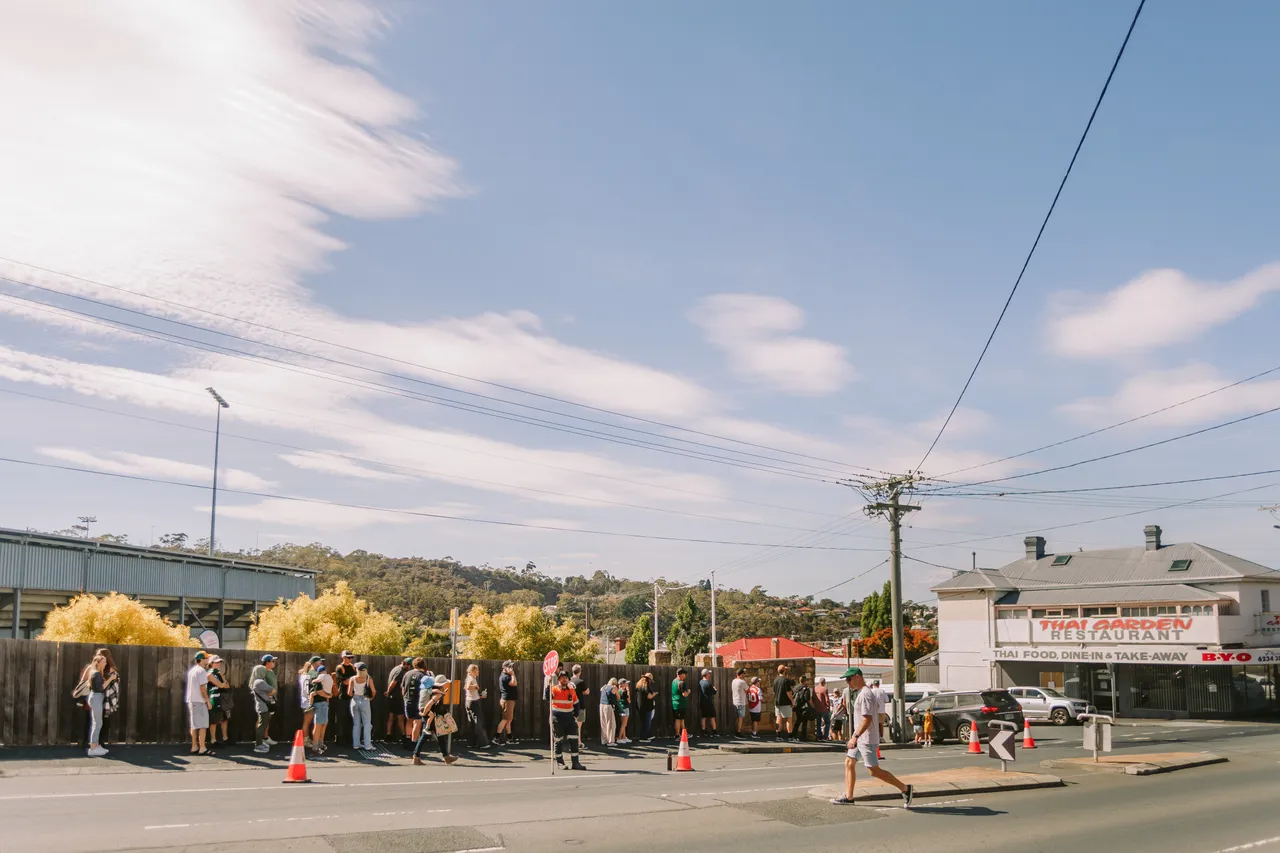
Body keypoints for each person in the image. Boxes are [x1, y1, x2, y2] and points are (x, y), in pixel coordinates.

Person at [830, 667, 912, 808]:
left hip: (866, 739)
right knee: (849, 763)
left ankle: (905, 788)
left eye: (849, 679)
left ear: (857, 677)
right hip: (860, 738)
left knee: (874, 771)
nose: (847, 683)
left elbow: (867, 719)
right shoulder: (861, 693)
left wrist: (854, 737)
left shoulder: (865, 695)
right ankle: (849, 797)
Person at [414, 674, 458, 766]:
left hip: (432, 715)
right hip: (432, 715)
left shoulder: (431, 690)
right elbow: (429, 704)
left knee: (438, 735)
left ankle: (446, 757)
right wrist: (425, 713)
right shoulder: (436, 693)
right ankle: (416, 756)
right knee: (425, 736)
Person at [549, 670, 585, 770]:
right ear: (559, 679)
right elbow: (548, 698)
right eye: (562, 678)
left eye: (566, 678)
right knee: (558, 740)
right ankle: (560, 763)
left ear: (568, 679)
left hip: (569, 718)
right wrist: (548, 684)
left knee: (574, 739)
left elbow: (576, 703)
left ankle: (575, 763)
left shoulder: (571, 690)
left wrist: (575, 715)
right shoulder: (554, 689)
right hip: (557, 718)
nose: (564, 679)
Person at [185, 651, 214, 756]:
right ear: (201, 659)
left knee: (194, 725)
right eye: (206, 658)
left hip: (191, 701)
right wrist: (208, 701)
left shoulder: (192, 670)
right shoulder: (201, 671)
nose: (208, 660)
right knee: (202, 726)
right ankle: (202, 748)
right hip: (199, 701)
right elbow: (202, 688)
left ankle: (194, 746)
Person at [83, 654, 109, 757]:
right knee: (97, 723)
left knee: (97, 723)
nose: (105, 663)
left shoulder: (96, 673)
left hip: (95, 698)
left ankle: (96, 745)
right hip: (96, 698)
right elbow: (100, 688)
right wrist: (111, 679)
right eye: (104, 662)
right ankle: (93, 748)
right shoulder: (96, 674)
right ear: (98, 663)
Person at [250, 654, 278, 752]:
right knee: (262, 726)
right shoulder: (260, 682)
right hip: (264, 707)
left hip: (263, 706)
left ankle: (260, 743)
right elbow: (272, 690)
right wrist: (272, 692)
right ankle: (258, 744)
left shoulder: (258, 681)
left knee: (263, 724)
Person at [348, 661, 376, 750]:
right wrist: (370, 698)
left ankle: (356, 744)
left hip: (354, 700)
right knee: (367, 723)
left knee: (356, 724)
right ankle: (368, 745)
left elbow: (349, 693)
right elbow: (374, 691)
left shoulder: (352, 678)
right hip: (365, 700)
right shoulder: (368, 678)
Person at [332, 651, 358, 745]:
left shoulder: (352, 667)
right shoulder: (340, 668)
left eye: (351, 657)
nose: (350, 659)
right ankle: (339, 738)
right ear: (343, 658)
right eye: (348, 657)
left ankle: (349, 738)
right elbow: (344, 682)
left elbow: (356, 679)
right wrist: (352, 680)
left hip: (352, 696)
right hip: (342, 697)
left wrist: (351, 680)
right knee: (340, 718)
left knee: (350, 718)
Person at [464, 663, 491, 749]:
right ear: (473, 671)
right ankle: (482, 743)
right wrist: (475, 686)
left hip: (469, 701)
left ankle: (471, 743)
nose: (478, 671)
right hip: (473, 702)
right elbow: (467, 687)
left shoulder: (469, 678)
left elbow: (468, 689)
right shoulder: (471, 678)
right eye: (477, 670)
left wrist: (480, 696)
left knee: (471, 722)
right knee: (477, 722)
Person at [97, 648, 120, 748]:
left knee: (103, 720)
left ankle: (100, 741)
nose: (97, 657)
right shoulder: (97, 668)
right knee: (96, 720)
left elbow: (112, 686)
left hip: (105, 698)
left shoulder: (111, 669)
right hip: (97, 696)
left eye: (100, 655)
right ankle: (94, 741)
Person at [206, 656, 231, 747]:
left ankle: (225, 738)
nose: (219, 664)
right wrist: (222, 683)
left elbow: (227, 686)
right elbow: (220, 685)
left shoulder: (219, 673)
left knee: (225, 719)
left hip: (223, 700)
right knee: (214, 721)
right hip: (215, 699)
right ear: (211, 663)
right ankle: (213, 740)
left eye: (219, 662)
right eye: (216, 662)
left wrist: (222, 678)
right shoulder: (209, 673)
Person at [402, 658, 427, 747]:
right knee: (417, 722)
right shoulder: (423, 676)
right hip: (418, 702)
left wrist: (405, 698)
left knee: (409, 720)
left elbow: (403, 689)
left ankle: (408, 739)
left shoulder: (407, 674)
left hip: (408, 701)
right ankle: (414, 742)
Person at [309, 663, 334, 752]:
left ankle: (319, 743)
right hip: (321, 703)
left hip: (323, 703)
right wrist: (329, 696)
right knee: (319, 724)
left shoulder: (319, 679)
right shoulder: (326, 678)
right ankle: (316, 744)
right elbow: (318, 692)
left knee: (322, 724)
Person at [385, 656, 410, 743]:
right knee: (400, 717)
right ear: (406, 664)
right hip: (397, 697)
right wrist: (388, 691)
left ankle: (388, 735)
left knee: (391, 716)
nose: (409, 668)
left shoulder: (395, 668)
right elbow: (393, 683)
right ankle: (404, 736)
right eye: (409, 666)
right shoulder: (400, 671)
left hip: (392, 697)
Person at [298, 657, 321, 742]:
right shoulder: (310, 676)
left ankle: (306, 738)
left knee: (306, 721)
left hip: (304, 700)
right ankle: (305, 739)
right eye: (319, 663)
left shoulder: (303, 676)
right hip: (309, 700)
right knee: (307, 722)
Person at [496, 661, 517, 745]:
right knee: (505, 719)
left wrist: (511, 674)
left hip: (510, 700)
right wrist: (512, 674)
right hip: (507, 700)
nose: (511, 668)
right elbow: (514, 683)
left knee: (509, 720)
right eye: (509, 667)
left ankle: (509, 738)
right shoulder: (505, 677)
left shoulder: (506, 676)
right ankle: (496, 738)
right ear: (504, 668)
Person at [772, 664, 794, 742]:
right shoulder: (786, 680)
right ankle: (790, 737)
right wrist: (792, 700)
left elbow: (774, 692)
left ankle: (778, 735)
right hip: (786, 702)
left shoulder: (775, 680)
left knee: (779, 719)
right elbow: (788, 692)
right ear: (784, 671)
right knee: (789, 719)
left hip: (777, 702)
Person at [570, 664, 590, 750]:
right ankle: (578, 743)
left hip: (569, 705)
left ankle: (573, 743)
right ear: (580, 672)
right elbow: (587, 692)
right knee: (578, 726)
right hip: (579, 705)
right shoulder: (580, 682)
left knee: (571, 726)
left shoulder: (569, 681)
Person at [637, 673, 658, 740]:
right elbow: (649, 696)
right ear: (649, 679)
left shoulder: (639, 685)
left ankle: (646, 736)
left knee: (644, 722)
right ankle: (643, 738)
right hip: (647, 707)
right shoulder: (646, 686)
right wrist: (654, 694)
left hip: (640, 706)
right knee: (647, 723)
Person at [671, 668, 691, 739]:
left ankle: (684, 733)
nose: (685, 675)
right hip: (680, 704)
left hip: (675, 703)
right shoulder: (681, 683)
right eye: (684, 674)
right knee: (678, 720)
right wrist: (688, 691)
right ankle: (677, 735)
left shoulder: (674, 681)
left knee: (681, 719)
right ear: (681, 674)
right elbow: (684, 694)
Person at [792, 674, 812, 742]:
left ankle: (794, 734)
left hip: (797, 706)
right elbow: (807, 698)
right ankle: (803, 737)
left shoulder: (795, 687)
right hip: (803, 707)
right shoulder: (806, 688)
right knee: (804, 722)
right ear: (805, 681)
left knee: (797, 721)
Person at [698, 669, 718, 738]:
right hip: (709, 702)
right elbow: (714, 692)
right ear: (706, 675)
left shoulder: (700, 682)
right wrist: (715, 689)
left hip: (702, 702)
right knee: (712, 717)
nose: (710, 675)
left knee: (704, 717)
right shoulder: (708, 683)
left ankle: (703, 731)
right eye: (709, 673)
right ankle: (714, 732)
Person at [598, 677, 618, 746]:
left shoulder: (604, 686)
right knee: (611, 724)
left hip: (601, 705)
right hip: (608, 706)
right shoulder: (613, 687)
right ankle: (611, 741)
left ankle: (604, 740)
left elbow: (601, 690)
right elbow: (618, 697)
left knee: (603, 723)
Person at [730, 668, 749, 737]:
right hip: (741, 702)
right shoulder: (742, 682)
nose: (744, 675)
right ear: (740, 674)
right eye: (743, 674)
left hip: (735, 701)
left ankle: (736, 731)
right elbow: (747, 690)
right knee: (741, 718)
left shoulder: (733, 681)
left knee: (736, 718)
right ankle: (738, 732)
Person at [814, 677, 832, 742]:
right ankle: (825, 736)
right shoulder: (824, 689)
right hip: (824, 709)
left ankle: (819, 736)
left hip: (816, 708)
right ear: (824, 683)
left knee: (818, 723)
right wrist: (828, 707)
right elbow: (827, 700)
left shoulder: (815, 689)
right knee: (827, 722)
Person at [616, 678, 632, 744]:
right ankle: (619, 738)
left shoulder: (618, 690)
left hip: (621, 708)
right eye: (626, 683)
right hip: (625, 708)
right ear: (622, 684)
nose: (627, 684)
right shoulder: (624, 691)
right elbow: (629, 700)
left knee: (623, 724)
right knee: (624, 724)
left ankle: (624, 737)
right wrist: (628, 691)